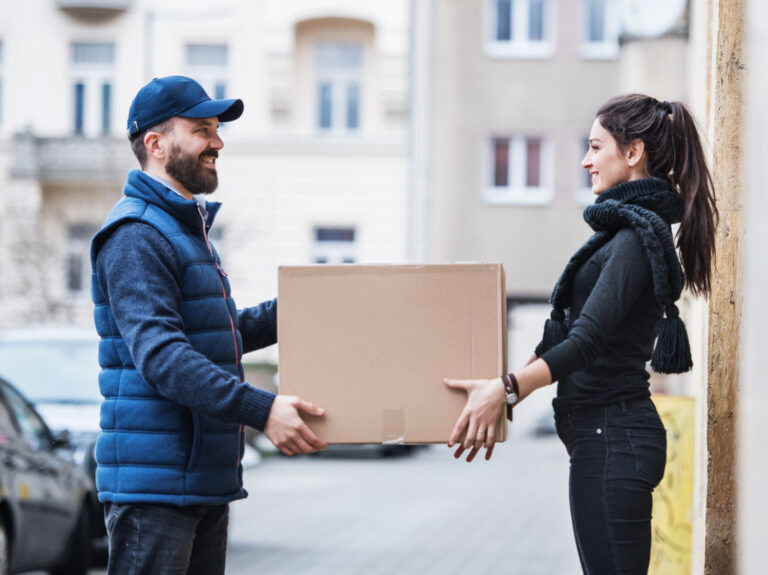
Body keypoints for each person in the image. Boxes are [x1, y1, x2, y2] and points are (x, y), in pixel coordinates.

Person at [444, 94, 718, 574]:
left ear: (632, 152)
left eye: (595, 147)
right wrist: (500, 393)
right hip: (607, 438)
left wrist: (507, 389)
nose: (587, 162)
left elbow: (586, 341)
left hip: (614, 439)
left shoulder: (635, 240)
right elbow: (570, 336)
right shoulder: (626, 234)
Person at [90, 75, 328, 575]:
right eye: (202, 130)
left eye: (217, 130)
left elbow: (213, 337)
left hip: (199, 480)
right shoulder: (136, 234)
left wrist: (303, 309)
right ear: (156, 144)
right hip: (156, 490)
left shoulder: (182, 230)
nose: (217, 142)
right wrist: (262, 409)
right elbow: (164, 357)